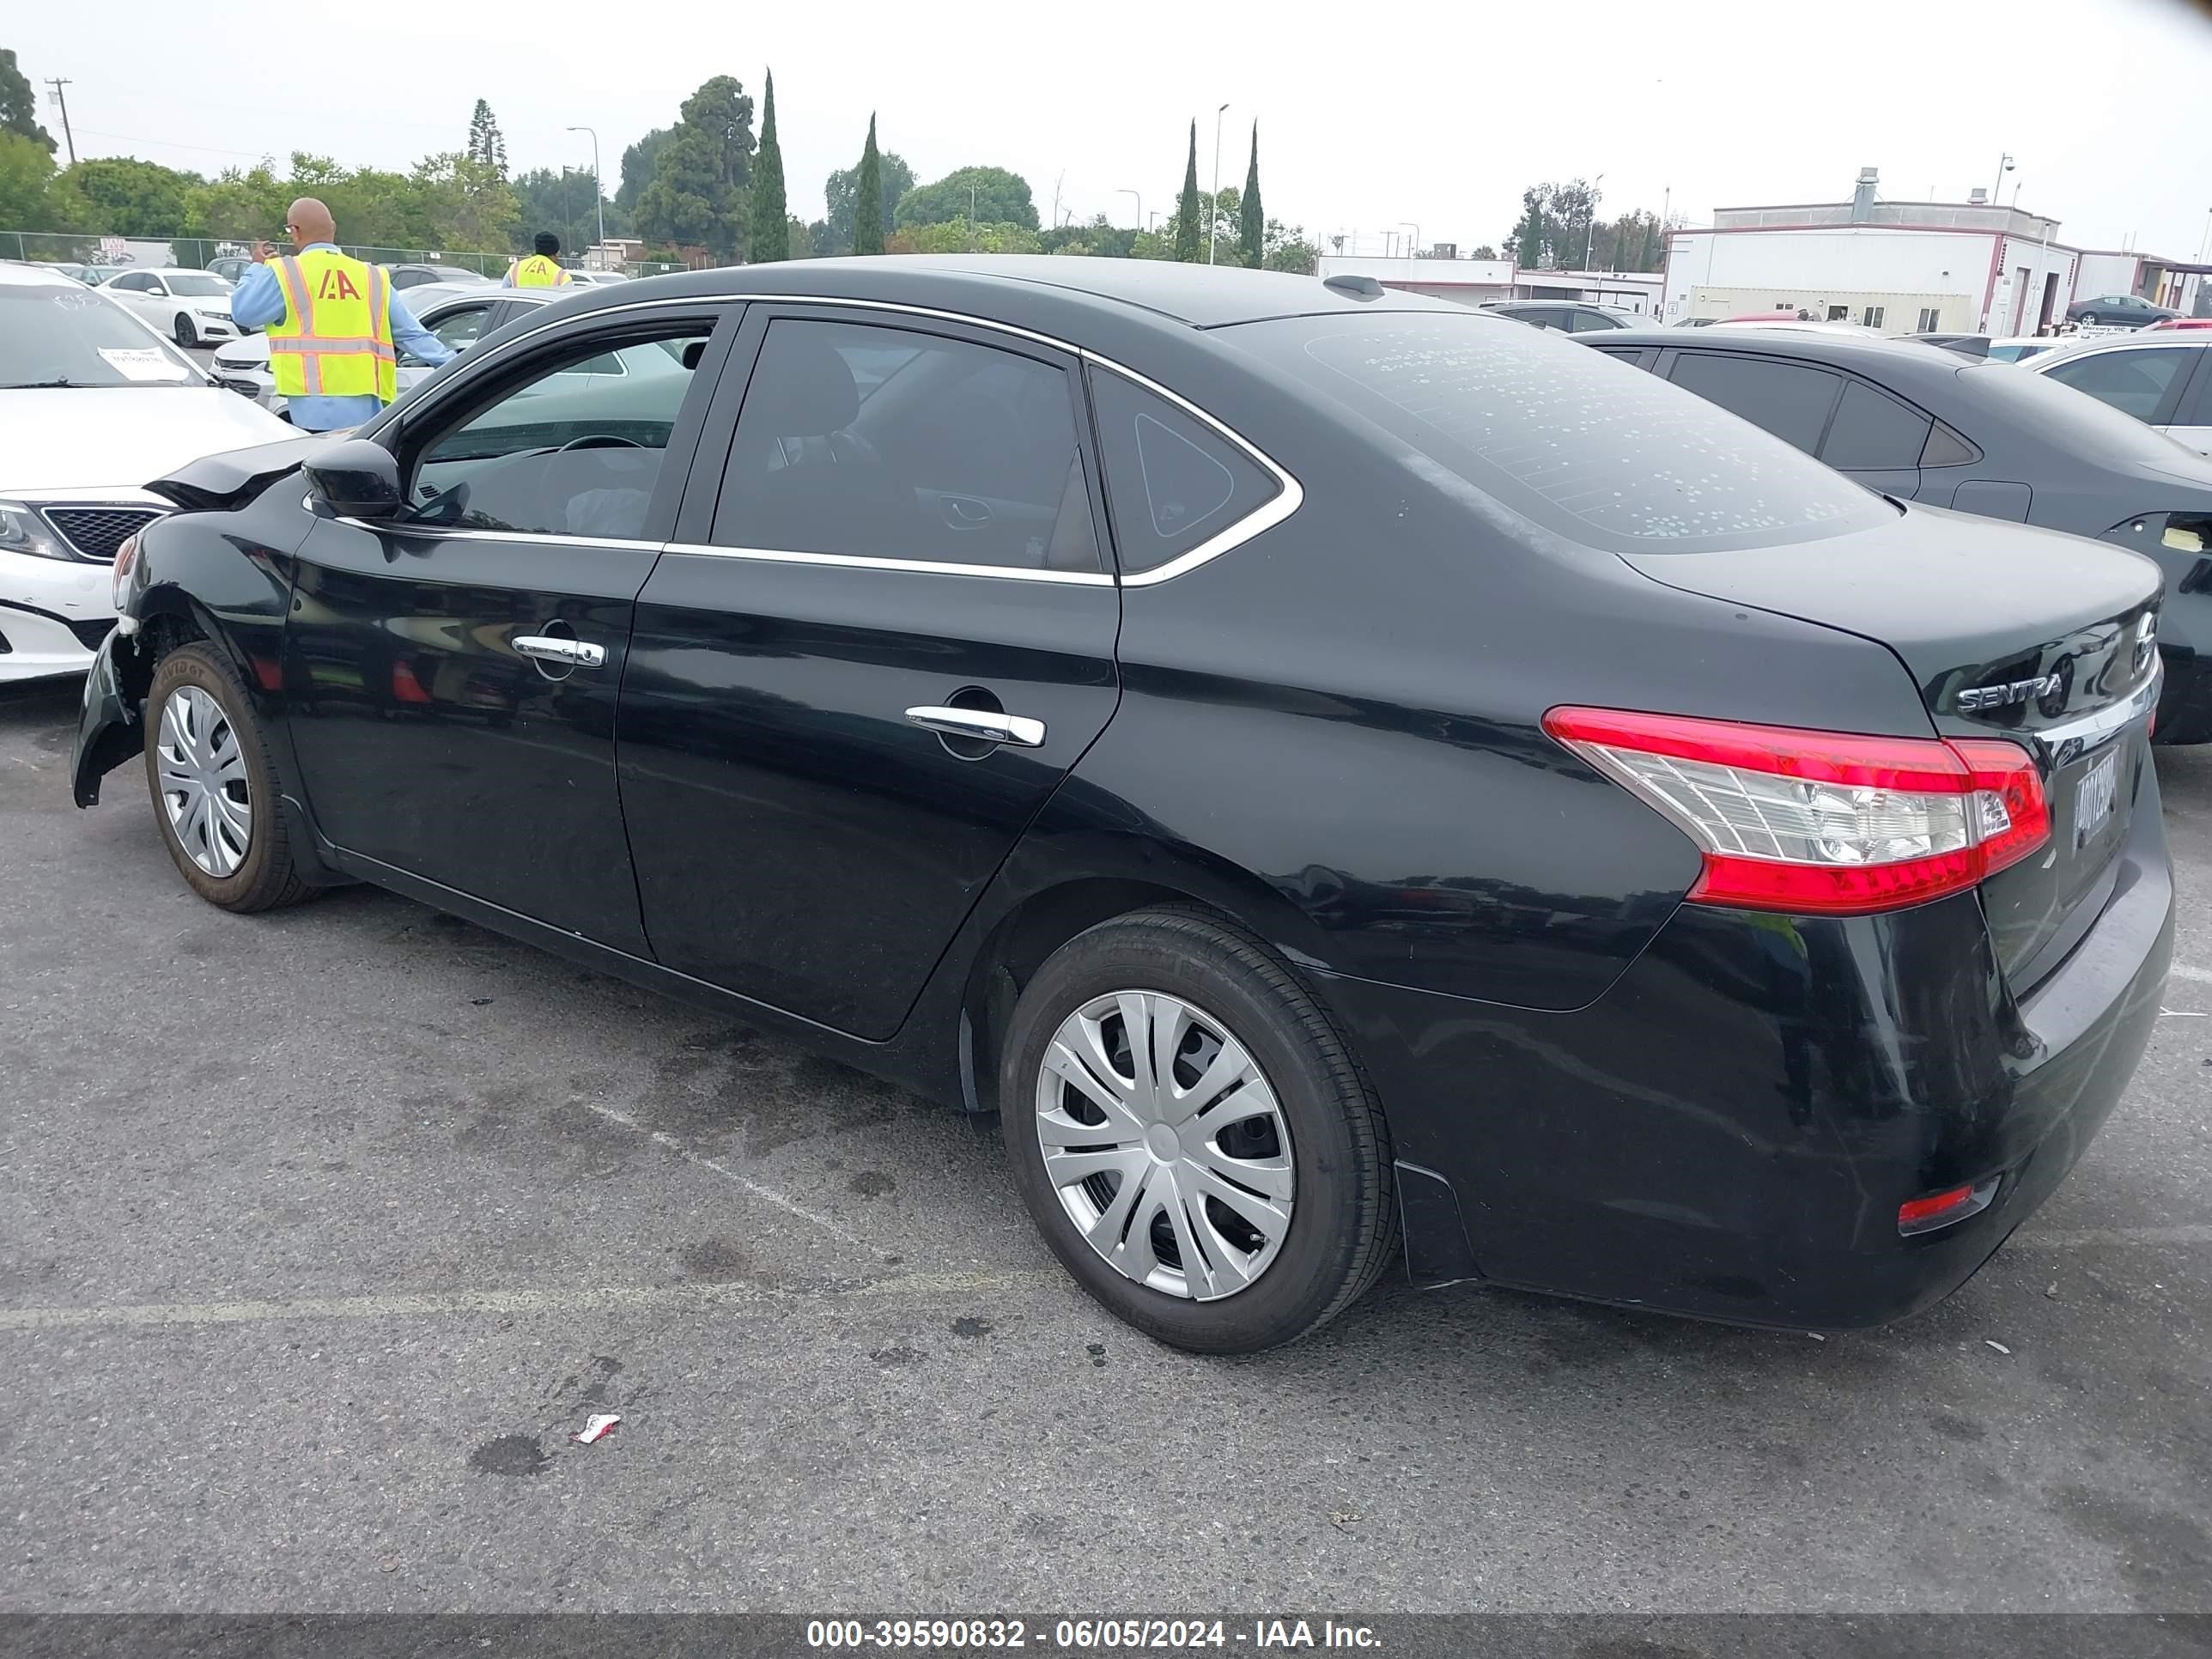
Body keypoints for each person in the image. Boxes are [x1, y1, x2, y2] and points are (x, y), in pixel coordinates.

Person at [228, 198, 455, 433]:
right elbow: (412, 334)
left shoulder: (287, 273)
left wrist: (256, 267)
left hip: (312, 413)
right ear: (333, 228)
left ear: (295, 231)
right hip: (369, 415)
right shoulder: (371, 275)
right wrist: (456, 365)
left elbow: (243, 313)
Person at [507, 232, 573, 289]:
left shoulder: (515, 268)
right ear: (554, 253)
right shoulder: (561, 276)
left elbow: (504, 293)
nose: (558, 258)